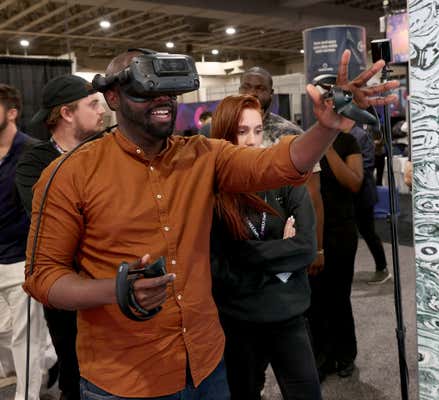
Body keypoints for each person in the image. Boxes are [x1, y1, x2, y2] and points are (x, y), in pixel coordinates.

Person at [22, 49, 398, 399]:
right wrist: (115, 290)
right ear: (114, 98)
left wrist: (327, 127)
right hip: (125, 378)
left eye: (169, 92)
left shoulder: (202, 156)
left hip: (205, 368)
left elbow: (279, 163)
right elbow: (43, 276)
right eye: (146, 90)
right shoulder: (69, 175)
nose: (162, 101)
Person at [209, 95, 321, 400]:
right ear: (223, 134)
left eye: (257, 131)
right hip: (238, 322)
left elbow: (306, 247)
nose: (251, 141)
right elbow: (219, 270)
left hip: (288, 315)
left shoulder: (284, 178)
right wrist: (280, 253)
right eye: (242, 131)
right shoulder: (212, 192)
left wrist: (244, 255)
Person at [15, 75, 106, 400]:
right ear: (67, 113)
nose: (102, 111)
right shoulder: (34, 163)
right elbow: (56, 223)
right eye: (93, 104)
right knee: (75, 371)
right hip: (68, 288)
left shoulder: (109, 149)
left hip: (112, 282)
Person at [239, 66, 324, 275]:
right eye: (247, 87)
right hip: (236, 244)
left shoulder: (290, 133)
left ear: (271, 94)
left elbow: (313, 195)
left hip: (281, 242)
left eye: (260, 88)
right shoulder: (221, 131)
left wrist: (318, 248)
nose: (252, 93)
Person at [0, 83, 48, 400]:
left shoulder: (32, 152)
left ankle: (27, 396)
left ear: (12, 112)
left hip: (22, 259)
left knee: (26, 338)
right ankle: (52, 359)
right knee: (6, 331)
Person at [309, 123, 364, 380]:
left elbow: (354, 182)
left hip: (341, 230)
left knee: (339, 296)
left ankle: (345, 355)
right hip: (313, 231)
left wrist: (328, 148)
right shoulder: (307, 139)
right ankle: (321, 358)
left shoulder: (347, 142)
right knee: (315, 300)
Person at [349, 122, 391, 284]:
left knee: (368, 232)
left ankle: (382, 268)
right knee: (350, 235)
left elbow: (367, 164)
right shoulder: (339, 134)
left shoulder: (360, 135)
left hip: (363, 195)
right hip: (349, 195)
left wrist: (347, 173)